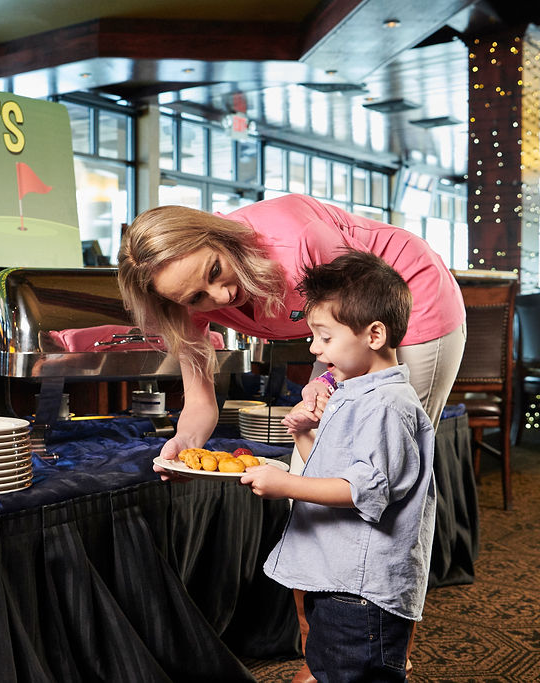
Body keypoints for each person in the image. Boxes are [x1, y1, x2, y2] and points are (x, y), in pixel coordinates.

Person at [117, 193, 464, 680]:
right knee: (306, 487)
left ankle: (382, 648)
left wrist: (323, 383)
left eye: (216, 272)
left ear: (220, 235)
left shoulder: (294, 236)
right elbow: (200, 404)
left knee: (384, 486)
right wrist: (183, 449)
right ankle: (325, 653)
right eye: (195, 297)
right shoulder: (182, 304)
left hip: (407, 302)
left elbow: (349, 320)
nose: (217, 299)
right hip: (338, 335)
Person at [240, 250, 436, 681]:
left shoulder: (385, 405)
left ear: (374, 334)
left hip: (361, 592)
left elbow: (362, 491)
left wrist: (285, 484)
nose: (314, 348)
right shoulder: (357, 391)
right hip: (338, 580)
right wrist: (304, 436)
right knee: (330, 668)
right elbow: (335, 471)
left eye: (325, 337)